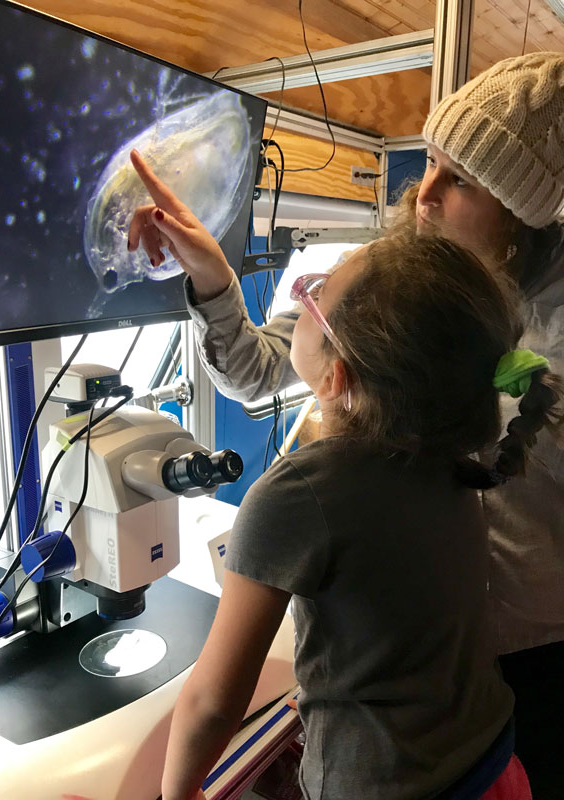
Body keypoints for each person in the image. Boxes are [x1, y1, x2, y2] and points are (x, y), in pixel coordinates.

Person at [129, 51, 564, 798]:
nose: (421, 196)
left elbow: (209, 700)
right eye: (428, 161)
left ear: (520, 217)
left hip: (525, 655)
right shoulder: (398, 279)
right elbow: (267, 366)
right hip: (410, 663)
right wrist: (212, 277)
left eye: (459, 179)